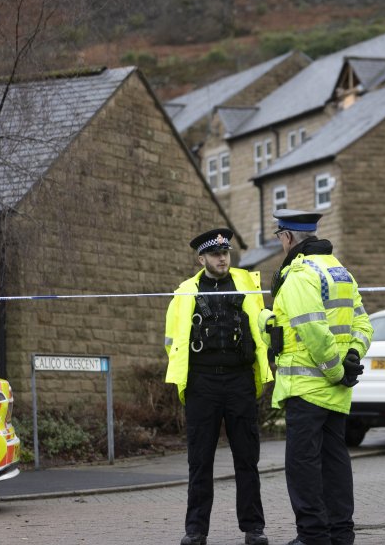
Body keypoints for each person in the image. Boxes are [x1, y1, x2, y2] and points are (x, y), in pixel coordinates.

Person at [266, 209, 373, 545]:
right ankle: (341, 534)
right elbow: (363, 325)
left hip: (309, 387)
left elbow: (314, 331)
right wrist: (353, 355)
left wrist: (336, 371)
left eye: (279, 238)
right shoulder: (340, 271)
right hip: (337, 393)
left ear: (286, 237)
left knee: (303, 468)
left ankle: (312, 536)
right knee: (335, 463)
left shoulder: (300, 275)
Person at [164, 228, 274, 545]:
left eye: (225, 253)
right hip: (202, 383)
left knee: (247, 459)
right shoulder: (185, 291)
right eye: (215, 254)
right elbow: (171, 341)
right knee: (200, 461)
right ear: (202, 258)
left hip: (239, 379)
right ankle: (195, 531)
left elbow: (262, 327)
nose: (222, 258)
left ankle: (254, 529)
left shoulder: (246, 284)